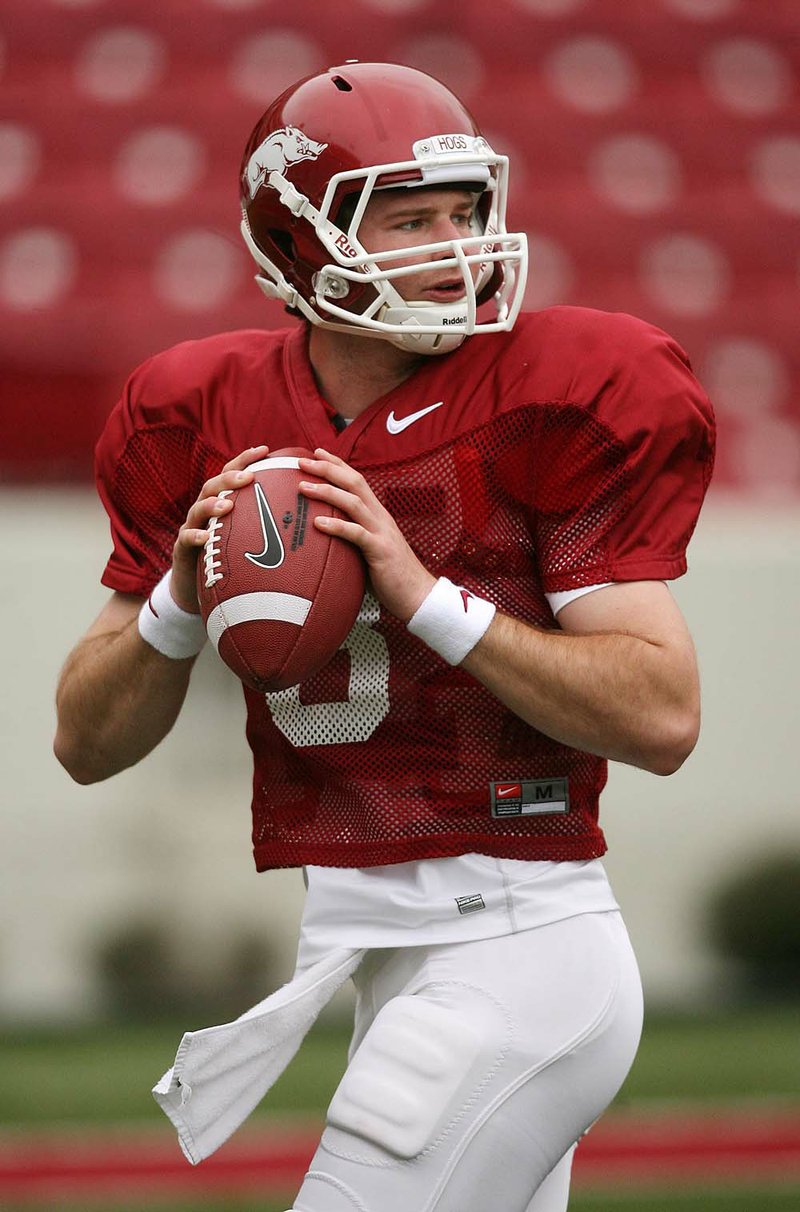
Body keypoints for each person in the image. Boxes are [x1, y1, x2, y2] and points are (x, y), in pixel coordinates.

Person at [54, 60, 715, 1212]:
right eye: (411, 220)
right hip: (373, 947)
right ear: (299, 244)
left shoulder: (560, 390)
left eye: (465, 212)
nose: (457, 247)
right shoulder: (198, 414)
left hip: (523, 943)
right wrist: (175, 599)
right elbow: (84, 743)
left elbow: (660, 716)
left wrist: (425, 598)